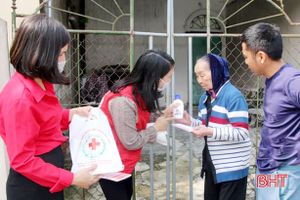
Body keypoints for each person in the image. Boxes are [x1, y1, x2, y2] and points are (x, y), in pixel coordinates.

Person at [0, 14, 101, 200]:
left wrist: (71, 114)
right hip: (31, 187)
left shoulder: (41, 82)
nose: (64, 59)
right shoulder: (20, 98)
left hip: (47, 178)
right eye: (61, 53)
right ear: (40, 53)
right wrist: (71, 178)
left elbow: (43, 122)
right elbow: (23, 160)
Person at [99, 49, 175, 200]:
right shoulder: (123, 101)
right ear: (154, 77)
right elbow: (131, 141)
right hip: (112, 166)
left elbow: (137, 118)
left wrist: (162, 115)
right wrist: (156, 129)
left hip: (122, 163)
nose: (168, 81)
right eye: (168, 77)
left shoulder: (137, 93)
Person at [177, 53, 250, 200]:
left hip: (232, 167)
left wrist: (209, 131)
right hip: (213, 165)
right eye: (197, 76)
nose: (199, 80)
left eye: (202, 75)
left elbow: (242, 132)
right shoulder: (205, 97)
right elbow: (206, 125)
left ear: (216, 71)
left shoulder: (233, 96)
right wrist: (190, 122)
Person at [241, 22, 300, 200]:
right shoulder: (272, 79)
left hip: (285, 173)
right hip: (267, 169)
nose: (245, 62)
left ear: (260, 56)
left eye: (245, 56)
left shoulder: (291, 80)